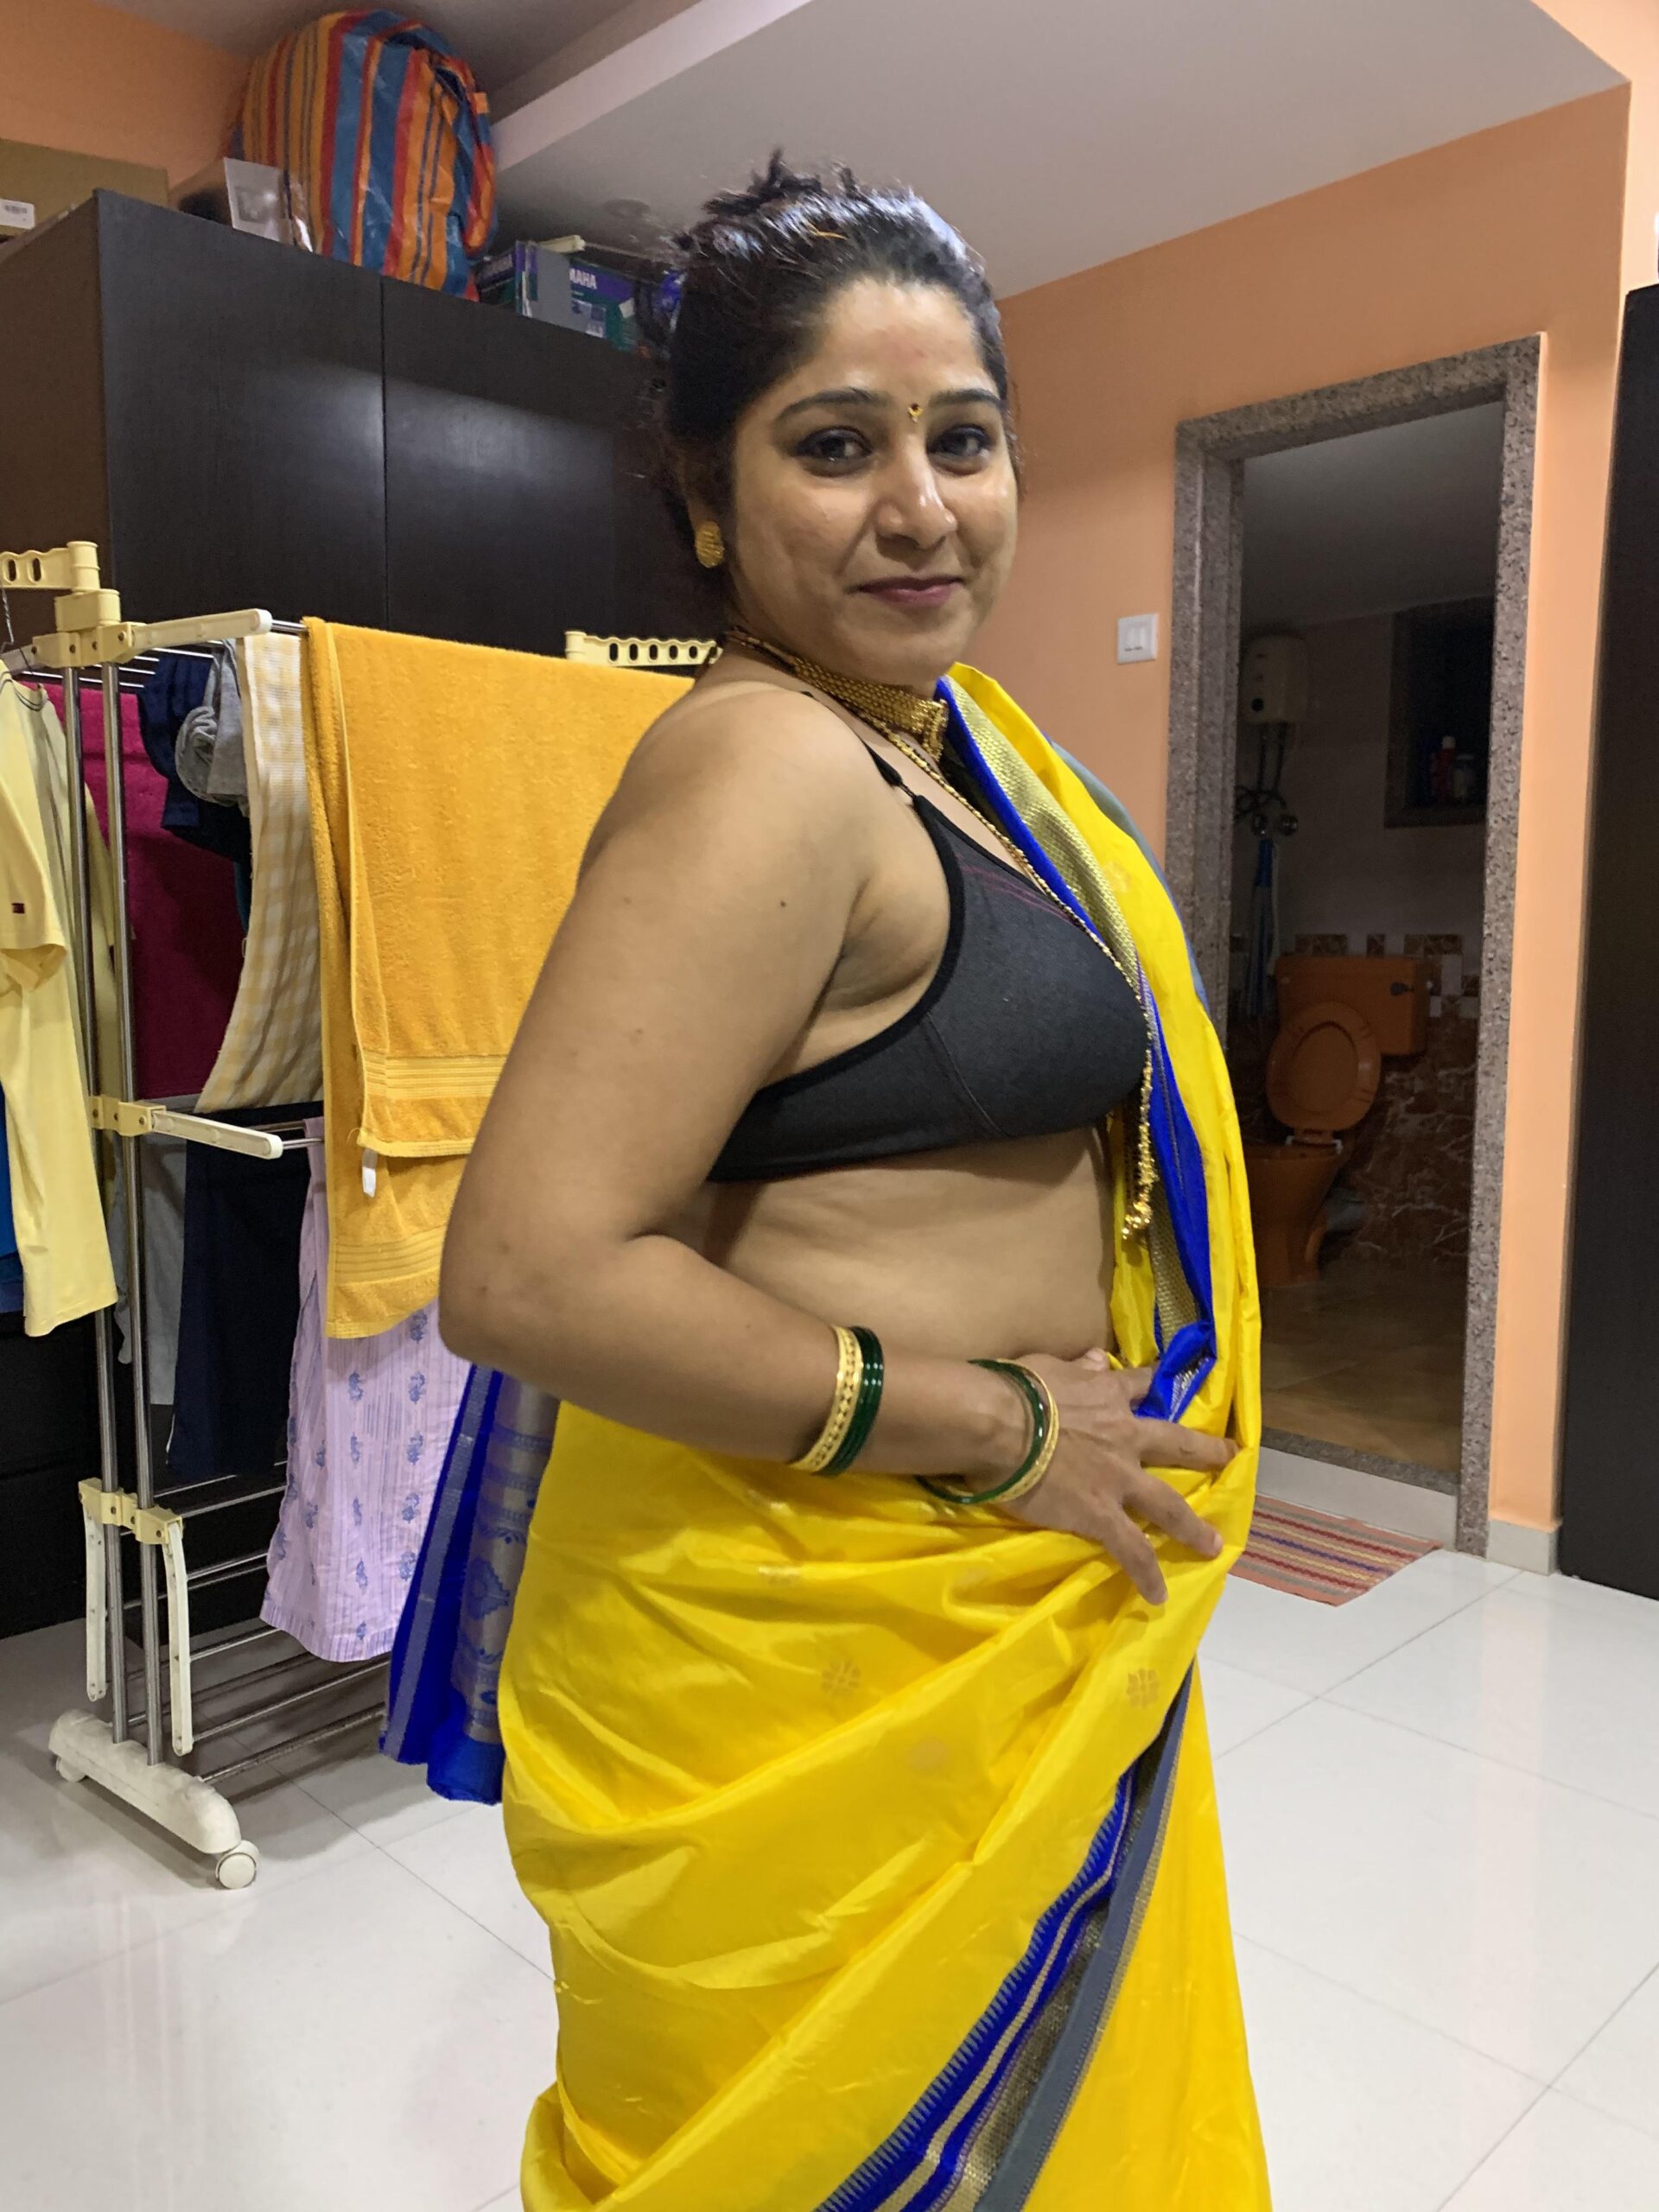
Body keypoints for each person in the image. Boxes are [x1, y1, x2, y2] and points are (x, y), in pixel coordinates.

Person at [441, 155, 1269, 2211]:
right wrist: (999, 1427)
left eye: (962, 439)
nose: (921, 504)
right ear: (710, 499)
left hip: (978, 1635)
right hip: (806, 1657)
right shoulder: (769, 764)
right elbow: (528, 1271)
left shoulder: (952, 756)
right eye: (835, 446)